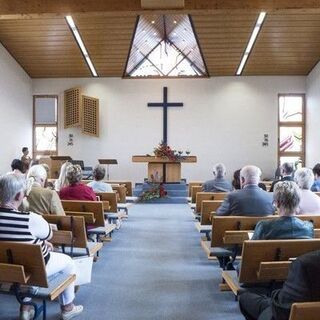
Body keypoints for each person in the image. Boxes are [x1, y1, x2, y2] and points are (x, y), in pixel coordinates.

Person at [0, 174, 83, 320]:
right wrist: (44, 242)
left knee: (23, 258)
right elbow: (49, 235)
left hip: (5, 270)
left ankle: (25, 309)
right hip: (34, 271)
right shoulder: (29, 219)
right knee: (69, 262)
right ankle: (67, 307)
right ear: (19, 195)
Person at [239, 250, 320, 320]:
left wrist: (275, 294)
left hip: (289, 313)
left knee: (244, 298)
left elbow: (283, 308)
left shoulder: (305, 264)